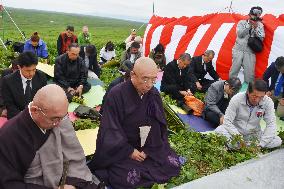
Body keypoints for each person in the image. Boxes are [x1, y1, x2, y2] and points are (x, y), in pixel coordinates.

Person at [88, 57, 181, 189]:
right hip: (122, 147)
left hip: (148, 144)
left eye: (153, 79)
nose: (149, 84)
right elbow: (110, 128)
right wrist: (129, 151)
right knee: (126, 177)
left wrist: (148, 149)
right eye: (145, 78)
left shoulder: (153, 93)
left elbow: (157, 124)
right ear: (132, 75)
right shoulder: (116, 94)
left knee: (171, 164)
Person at [0, 84, 104, 189]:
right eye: (55, 119)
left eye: (63, 117)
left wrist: (72, 184)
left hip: (66, 181)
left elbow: (74, 156)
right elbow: (9, 183)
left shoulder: (59, 118)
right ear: (35, 110)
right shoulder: (9, 136)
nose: (59, 124)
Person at [215, 79, 282, 149]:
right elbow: (227, 121)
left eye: (261, 97)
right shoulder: (237, 99)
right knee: (219, 131)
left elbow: (271, 124)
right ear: (248, 92)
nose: (257, 100)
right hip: (236, 132)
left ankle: (242, 147)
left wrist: (261, 144)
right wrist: (239, 138)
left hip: (253, 134)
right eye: (254, 96)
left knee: (277, 140)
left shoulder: (268, 102)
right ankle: (246, 146)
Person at [2, 52, 47, 119]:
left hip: (37, 115)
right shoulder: (8, 81)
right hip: (17, 117)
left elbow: (44, 98)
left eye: (34, 69)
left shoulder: (41, 77)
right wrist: (24, 117)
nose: (31, 73)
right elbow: (10, 105)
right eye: (28, 70)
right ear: (19, 67)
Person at [229, 6, 265, 83]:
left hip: (250, 52)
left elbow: (261, 38)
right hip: (238, 50)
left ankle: (249, 92)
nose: (255, 18)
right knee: (234, 71)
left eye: (257, 16)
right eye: (253, 16)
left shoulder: (260, 25)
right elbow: (240, 34)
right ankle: (230, 90)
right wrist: (249, 26)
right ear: (249, 15)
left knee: (250, 74)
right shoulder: (241, 22)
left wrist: (255, 28)